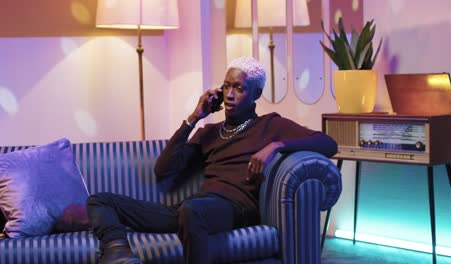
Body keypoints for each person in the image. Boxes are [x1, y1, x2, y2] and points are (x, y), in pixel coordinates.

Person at [86, 57, 337, 264]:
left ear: (256, 94)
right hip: (194, 210)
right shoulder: (208, 132)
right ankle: (117, 251)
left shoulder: (270, 125)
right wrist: (194, 117)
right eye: (226, 86)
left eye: (239, 88)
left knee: (192, 211)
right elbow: (163, 169)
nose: (229, 94)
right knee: (99, 200)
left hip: (234, 208)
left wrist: (277, 145)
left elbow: (328, 143)